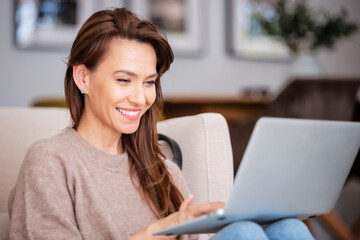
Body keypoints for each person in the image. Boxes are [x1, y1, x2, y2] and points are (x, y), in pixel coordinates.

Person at [8, 8, 314, 240]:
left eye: (149, 82)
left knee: (289, 227)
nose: (140, 99)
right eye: (124, 80)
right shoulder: (49, 160)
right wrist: (154, 232)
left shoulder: (161, 168)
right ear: (83, 78)